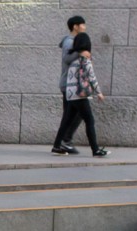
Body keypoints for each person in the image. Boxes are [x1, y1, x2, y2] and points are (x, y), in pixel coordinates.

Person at [52, 33, 110, 157]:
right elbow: (91, 77)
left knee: (66, 122)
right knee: (90, 121)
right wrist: (99, 92)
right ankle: (95, 150)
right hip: (81, 95)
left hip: (71, 95)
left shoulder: (73, 60)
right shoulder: (85, 60)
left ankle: (56, 146)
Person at [53, 15, 86, 156]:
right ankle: (64, 142)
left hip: (73, 85)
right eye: (82, 25)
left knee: (75, 114)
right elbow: (67, 58)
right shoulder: (69, 42)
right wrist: (80, 53)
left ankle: (64, 142)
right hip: (68, 85)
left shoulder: (75, 41)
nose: (85, 27)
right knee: (73, 114)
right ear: (75, 26)